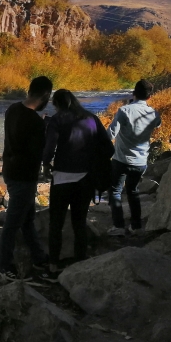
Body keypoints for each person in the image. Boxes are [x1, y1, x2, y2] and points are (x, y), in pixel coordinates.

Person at [40, 89, 113, 281]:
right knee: (79, 222)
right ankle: (81, 263)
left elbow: (49, 147)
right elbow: (109, 148)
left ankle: (53, 266)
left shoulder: (57, 119)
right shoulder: (91, 118)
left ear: (57, 104)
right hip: (86, 178)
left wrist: (46, 164)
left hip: (63, 178)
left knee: (56, 222)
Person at [0, 76, 53, 282]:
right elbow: (38, 153)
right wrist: (46, 130)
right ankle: (5, 267)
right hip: (25, 176)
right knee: (12, 223)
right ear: (45, 96)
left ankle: (39, 257)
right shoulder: (36, 122)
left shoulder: (12, 109)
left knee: (27, 218)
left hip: (10, 170)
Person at [108, 79, 161, 236]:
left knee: (115, 191)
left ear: (133, 93)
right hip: (140, 161)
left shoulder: (124, 111)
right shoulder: (153, 113)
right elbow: (157, 124)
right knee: (133, 191)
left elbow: (110, 133)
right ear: (150, 97)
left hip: (121, 159)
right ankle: (136, 226)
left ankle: (118, 226)